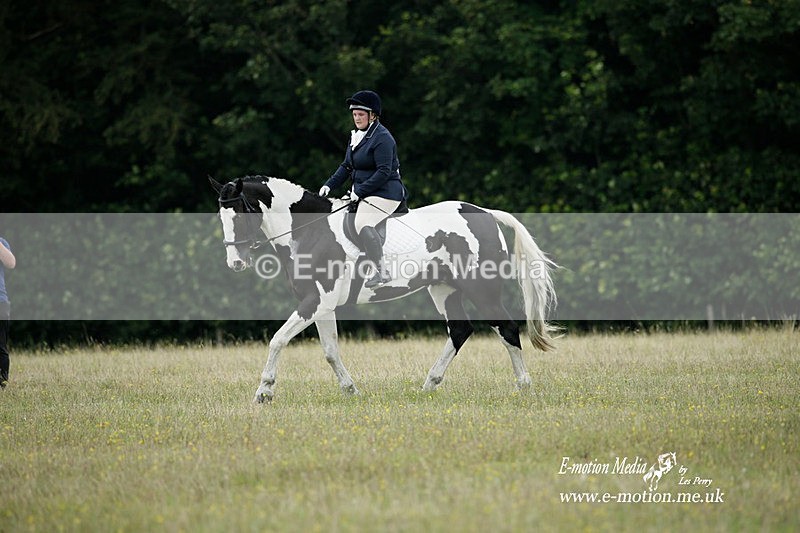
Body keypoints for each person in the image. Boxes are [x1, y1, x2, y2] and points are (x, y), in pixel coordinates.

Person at [319, 90, 407, 288]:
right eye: (354, 114)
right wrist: (329, 184)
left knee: (362, 222)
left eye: (361, 114)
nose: (356, 118)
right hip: (367, 191)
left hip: (386, 192)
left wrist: (359, 191)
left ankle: (381, 271)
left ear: (373, 115)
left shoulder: (383, 138)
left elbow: (384, 172)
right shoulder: (357, 137)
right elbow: (346, 166)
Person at [0, 236, 15, 388]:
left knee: (0, 346)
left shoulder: (2, 242)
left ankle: (2, 383)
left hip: (0, 300)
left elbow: (10, 263)